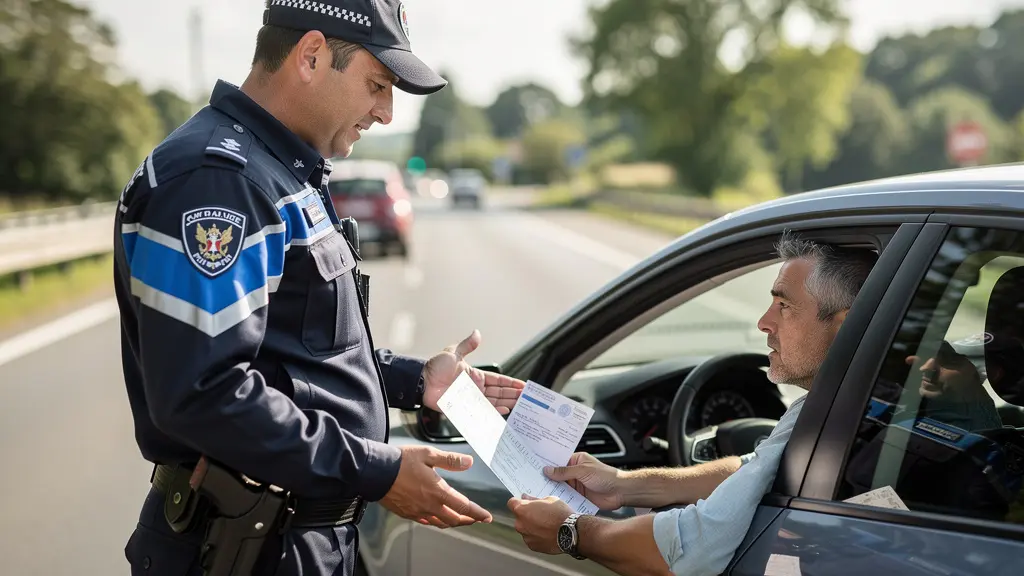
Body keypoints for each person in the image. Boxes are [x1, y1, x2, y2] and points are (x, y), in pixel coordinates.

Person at [113, 1, 525, 575]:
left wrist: (414, 380)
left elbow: (294, 358)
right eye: (377, 84)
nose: (385, 112)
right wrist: (377, 471)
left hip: (295, 538)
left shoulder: (280, 169)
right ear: (311, 56)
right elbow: (202, 394)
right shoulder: (220, 182)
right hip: (240, 546)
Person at [508, 232, 878, 576]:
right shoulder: (869, 406)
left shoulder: (831, 416)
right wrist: (624, 484)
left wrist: (570, 529)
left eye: (783, 305)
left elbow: (690, 551)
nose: (764, 322)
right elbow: (758, 469)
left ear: (846, 326)